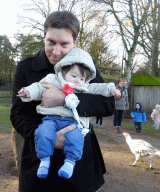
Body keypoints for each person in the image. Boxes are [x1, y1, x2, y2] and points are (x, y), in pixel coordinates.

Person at [10, 11, 115, 192]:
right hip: (38, 157)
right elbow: (17, 113)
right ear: (44, 38)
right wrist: (45, 137)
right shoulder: (26, 67)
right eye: (51, 42)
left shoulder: (86, 66)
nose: (56, 51)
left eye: (64, 44)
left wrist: (65, 98)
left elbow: (107, 105)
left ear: (75, 43)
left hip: (80, 162)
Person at [17, 48, 120, 179]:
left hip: (73, 123)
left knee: (76, 138)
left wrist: (111, 89)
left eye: (82, 78)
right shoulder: (53, 80)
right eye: (74, 76)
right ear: (64, 72)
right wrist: (28, 92)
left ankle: (70, 163)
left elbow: (99, 87)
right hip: (51, 119)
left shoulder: (84, 87)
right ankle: (44, 161)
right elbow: (39, 87)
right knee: (43, 132)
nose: (78, 81)